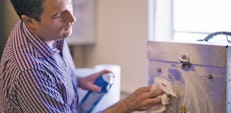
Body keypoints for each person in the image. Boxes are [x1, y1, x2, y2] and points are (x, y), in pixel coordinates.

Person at [0, 0, 164, 112]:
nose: (72, 18)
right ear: (30, 22)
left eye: (69, 3)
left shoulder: (49, 31)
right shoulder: (29, 72)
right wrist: (127, 105)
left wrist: (76, 79)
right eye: (58, 15)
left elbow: (50, 71)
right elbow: (39, 78)